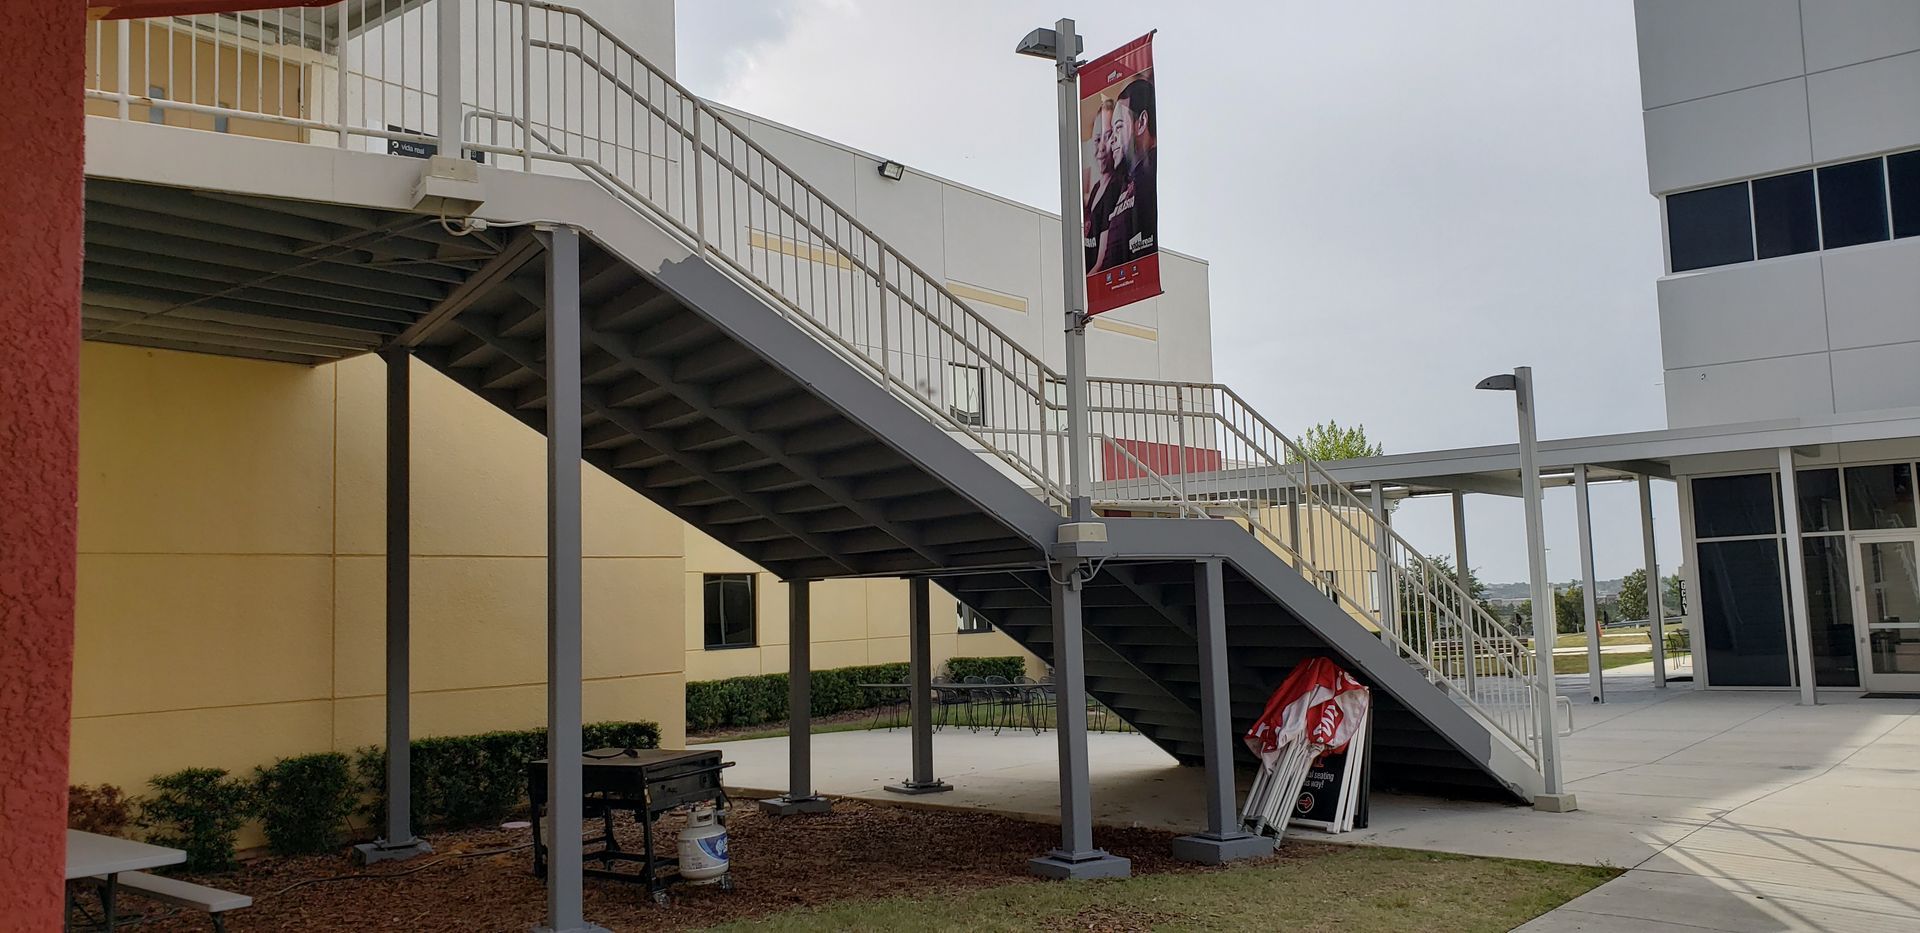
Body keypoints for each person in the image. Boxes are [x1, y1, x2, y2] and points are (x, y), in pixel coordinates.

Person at [1106, 76, 1157, 266]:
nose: (1113, 140)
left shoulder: (1149, 179)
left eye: (1119, 127)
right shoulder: (1126, 181)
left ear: (1141, 122)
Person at [1083, 99, 1123, 272]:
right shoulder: (1096, 189)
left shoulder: (1115, 188)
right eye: (1097, 139)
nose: (1101, 148)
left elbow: (1101, 263)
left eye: (1107, 137)